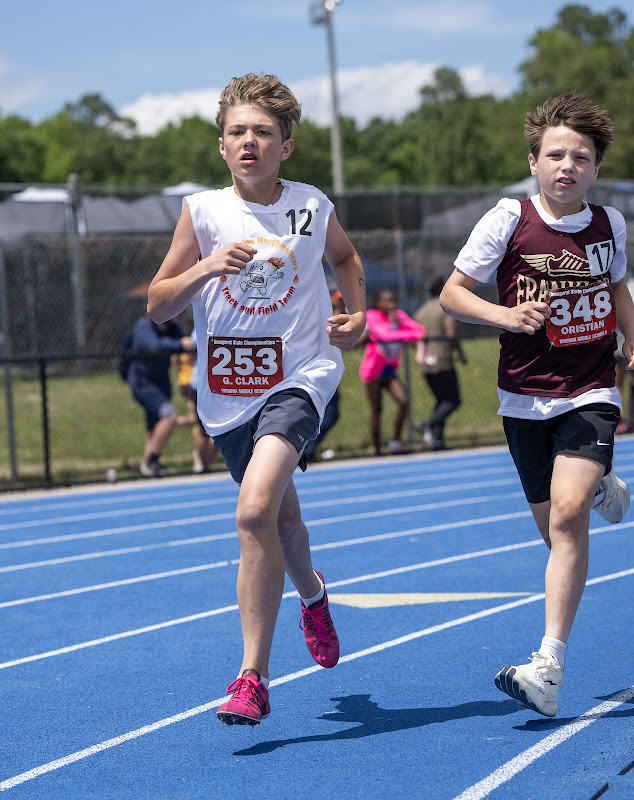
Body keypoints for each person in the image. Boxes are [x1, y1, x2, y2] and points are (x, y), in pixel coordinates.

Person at [146, 72, 366, 726]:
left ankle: (252, 678)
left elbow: (348, 261)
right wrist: (208, 267)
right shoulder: (203, 213)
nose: (249, 142)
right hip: (227, 393)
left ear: (285, 147)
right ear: (221, 146)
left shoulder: (310, 206)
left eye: (263, 133)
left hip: (300, 375)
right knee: (283, 521)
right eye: (238, 132)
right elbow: (159, 305)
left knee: (253, 513)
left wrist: (355, 317)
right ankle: (315, 596)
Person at [440, 92, 633, 718]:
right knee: (558, 533)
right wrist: (505, 313)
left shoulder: (611, 225)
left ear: (597, 167)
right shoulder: (507, 219)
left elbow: (619, 288)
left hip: (592, 387)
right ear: (534, 161)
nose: (567, 166)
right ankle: (606, 489)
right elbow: (452, 294)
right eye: (555, 154)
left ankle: (547, 665)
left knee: (569, 514)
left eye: (581, 156)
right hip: (524, 395)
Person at [122, 314, 193, 477]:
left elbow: (186, 342)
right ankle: (151, 460)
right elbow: (153, 346)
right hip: (143, 383)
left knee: (154, 424)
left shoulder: (172, 327)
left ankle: (148, 465)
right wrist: (179, 344)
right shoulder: (143, 326)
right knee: (170, 416)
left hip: (162, 382)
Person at [359, 288, 425, 455]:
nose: (391, 305)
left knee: (403, 401)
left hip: (389, 369)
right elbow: (385, 335)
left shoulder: (398, 316)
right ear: (379, 303)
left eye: (393, 301)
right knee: (377, 410)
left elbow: (419, 330)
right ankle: (377, 448)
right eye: (387, 301)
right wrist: (401, 332)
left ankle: (395, 443)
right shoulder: (372, 315)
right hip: (373, 370)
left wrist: (400, 325)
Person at [414, 275, 466, 450]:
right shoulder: (444, 308)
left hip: (425, 361)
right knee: (452, 400)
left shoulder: (420, 311)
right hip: (442, 359)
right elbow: (451, 335)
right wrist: (460, 352)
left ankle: (437, 440)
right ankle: (428, 424)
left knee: (441, 400)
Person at [304, 290, 346, 462]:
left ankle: (307, 448)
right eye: (337, 300)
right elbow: (330, 332)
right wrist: (335, 309)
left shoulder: (343, 316)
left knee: (330, 414)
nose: (341, 303)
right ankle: (305, 448)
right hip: (317, 371)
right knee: (327, 413)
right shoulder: (322, 314)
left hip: (330, 373)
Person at [175, 327, 219, 472]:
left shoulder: (199, 329)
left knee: (208, 429)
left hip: (214, 384)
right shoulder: (202, 327)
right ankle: (204, 465)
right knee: (203, 429)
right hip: (204, 384)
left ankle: (205, 464)